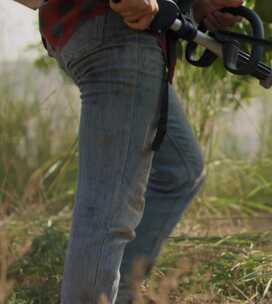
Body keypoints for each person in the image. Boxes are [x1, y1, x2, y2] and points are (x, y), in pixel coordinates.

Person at [33, 0, 243, 302]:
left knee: (181, 171)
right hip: (119, 33)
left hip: (118, 31)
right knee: (107, 216)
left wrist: (197, 9)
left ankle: (119, 294)